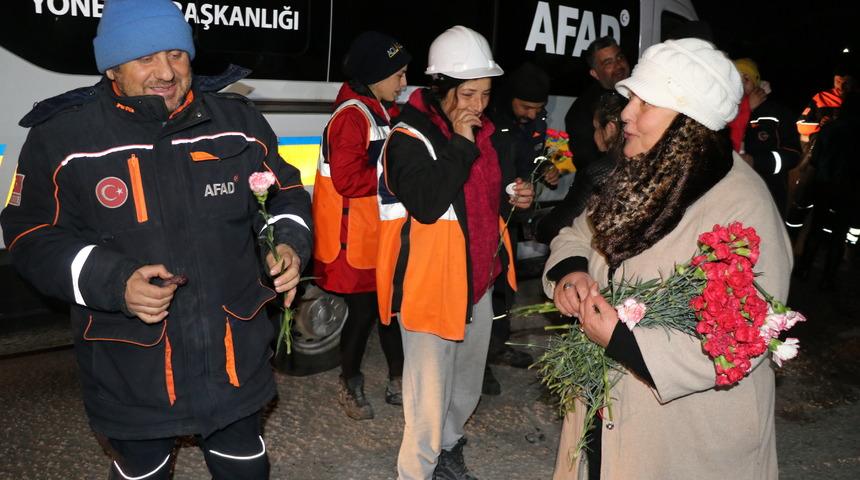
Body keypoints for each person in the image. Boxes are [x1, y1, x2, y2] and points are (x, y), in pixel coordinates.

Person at [0, 0, 312, 478]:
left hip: (234, 355)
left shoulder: (239, 123)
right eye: (145, 58)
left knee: (246, 468)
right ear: (113, 68)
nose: (166, 72)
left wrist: (286, 241)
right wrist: (114, 281)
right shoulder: (62, 137)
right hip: (132, 368)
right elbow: (28, 233)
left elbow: (285, 194)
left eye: (176, 54)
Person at [543, 38, 792, 479]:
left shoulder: (740, 205)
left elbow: (741, 337)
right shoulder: (646, 171)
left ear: (688, 121)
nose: (625, 113)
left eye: (644, 102)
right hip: (613, 416)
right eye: (630, 98)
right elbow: (580, 231)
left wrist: (621, 341)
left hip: (682, 442)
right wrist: (572, 271)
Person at [375, 25, 534, 479]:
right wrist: (461, 145)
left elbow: (481, 199)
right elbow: (427, 203)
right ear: (440, 86)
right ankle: (416, 471)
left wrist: (515, 197)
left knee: (465, 383)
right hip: (430, 285)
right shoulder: (408, 137)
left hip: (476, 277)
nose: (478, 105)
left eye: (485, 94)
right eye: (467, 94)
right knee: (427, 398)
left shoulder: (482, 131)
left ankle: (448, 448)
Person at [312, 31, 409, 421]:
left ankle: (399, 378)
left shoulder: (379, 110)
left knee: (390, 310)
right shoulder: (352, 117)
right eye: (398, 75)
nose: (403, 83)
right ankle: (349, 381)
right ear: (374, 75)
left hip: (377, 235)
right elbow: (349, 180)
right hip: (352, 240)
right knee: (366, 312)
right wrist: (398, 175)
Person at [481, 61, 553, 394]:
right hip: (485, 217)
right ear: (511, 98)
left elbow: (534, 156)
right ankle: (477, 365)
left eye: (537, 109)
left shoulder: (534, 117)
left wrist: (546, 169)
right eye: (525, 107)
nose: (530, 114)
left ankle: (497, 347)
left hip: (510, 216)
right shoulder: (490, 119)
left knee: (505, 288)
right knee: (483, 290)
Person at [534, 91, 627, 245]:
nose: (594, 135)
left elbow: (559, 225)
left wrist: (536, 225)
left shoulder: (602, 171)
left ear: (610, 129)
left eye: (596, 128)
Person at [794, 91, 860, 290]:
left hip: (825, 184)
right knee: (839, 234)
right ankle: (828, 278)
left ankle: (804, 269)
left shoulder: (830, 128)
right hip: (851, 189)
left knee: (816, 227)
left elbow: (815, 159)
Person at [734, 58, 802, 216]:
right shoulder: (722, 112)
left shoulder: (776, 112)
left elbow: (793, 154)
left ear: (756, 83)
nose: (740, 83)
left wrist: (755, 161)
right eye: (735, 77)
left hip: (768, 194)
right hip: (732, 195)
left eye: (746, 78)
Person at [563, 35, 630, 172]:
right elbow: (586, 164)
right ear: (595, 73)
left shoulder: (643, 94)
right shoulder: (581, 111)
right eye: (608, 63)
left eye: (619, 57)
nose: (618, 65)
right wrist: (606, 148)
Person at [796, 64, 855, 143]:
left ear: (854, 82)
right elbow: (801, 125)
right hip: (826, 144)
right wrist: (821, 125)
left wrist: (834, 125)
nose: (841, 87)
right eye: (838, 81)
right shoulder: (821, 97)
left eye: (846, 83)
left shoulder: (856, 99)